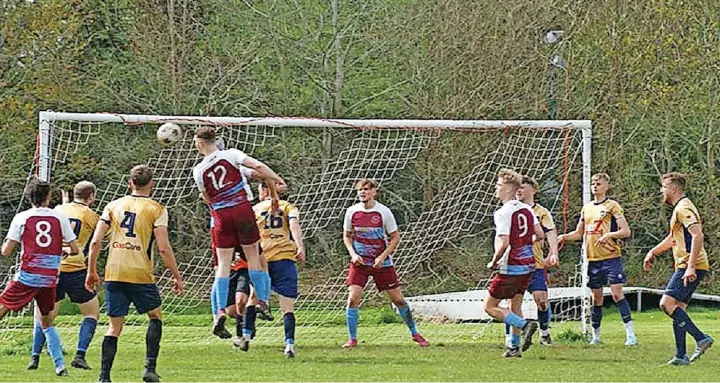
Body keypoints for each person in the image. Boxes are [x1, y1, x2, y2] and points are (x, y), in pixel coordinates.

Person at [86, 165, 184, 382]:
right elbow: (163, 247)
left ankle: (104, 377)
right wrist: (176, 275)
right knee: (155, 316)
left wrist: (91, 271)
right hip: (140, 273)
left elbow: (95, 242)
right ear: (152, 184)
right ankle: (149, 368)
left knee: (114, 327)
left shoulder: (113, 206)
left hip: (114, 272)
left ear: (129, 183)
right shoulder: (156, 209)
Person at [192, 127, 284, 334]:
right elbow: (259, 168)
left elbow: (206, 197)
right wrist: (277, 180)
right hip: (242, 209)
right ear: (216, 140)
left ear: (199, 143)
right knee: (255, 257)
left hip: (220, 216)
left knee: (223, 266)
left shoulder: (198, 170)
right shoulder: (232, 155)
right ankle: (262, 300)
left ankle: (220, 312)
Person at [0, 179, 79, 376]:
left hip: (28, 276)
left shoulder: (22, 218)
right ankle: (60, 366)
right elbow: (75, 248)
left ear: (29, 197)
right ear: (48, 197)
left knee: (2, 307)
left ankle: (52, 363)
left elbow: (6, 251)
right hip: (49, 279)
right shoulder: (59, 217)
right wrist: (60, 249)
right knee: (47, 322)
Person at [341, 179, 428, 349]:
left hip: (382, 264)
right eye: (360, 190)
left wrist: (383, 256)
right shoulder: (352, 212)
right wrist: (352, 254)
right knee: (353, 299)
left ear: (374, 192)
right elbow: (346, 236)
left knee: (398, 300)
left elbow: (395, 237)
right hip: (360, 263)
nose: (362, 193)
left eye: (366, 189)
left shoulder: (383, 212)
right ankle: (352, 339)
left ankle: (414, 333)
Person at [27, 182, 101, 371]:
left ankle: (34, 358)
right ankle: (80, 355)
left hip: (54, 269)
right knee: (92, 312)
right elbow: (100, 237)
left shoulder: (58, 209)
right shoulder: (91, 216)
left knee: (45, 315)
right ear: (91, 196)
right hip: (76, 269)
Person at [643, 172, 713, 365]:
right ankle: (681, 355)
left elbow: (697, 235)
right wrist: (653, 251)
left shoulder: (683, 208)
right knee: (678, 308)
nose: (661, 191)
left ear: (673, 189)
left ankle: (701, 338)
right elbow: (673, 238)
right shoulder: (679, 209)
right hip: (691, 264)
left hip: (690, 265)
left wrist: (690, 266)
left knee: (666, 304)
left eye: (664, 187)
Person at [558, 173, 636, 346]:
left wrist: (609, 235)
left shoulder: (612, 206)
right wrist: (563, 237)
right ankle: (596, 336)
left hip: (611, 257)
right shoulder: (586, 208)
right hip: (593, 259)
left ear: (607, 186)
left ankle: (630, 335)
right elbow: (579, 233)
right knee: (596, 298)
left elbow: (626, 231)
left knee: (617, 293)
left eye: (599, 183)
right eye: (593, 183)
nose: (595, 186)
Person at [237, 183, 306, 357]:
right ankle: (289, 345)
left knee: (253, 296)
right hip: (284, 257)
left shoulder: (255, 209)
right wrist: (300, 246)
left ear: (264, 191)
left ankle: (245, 337)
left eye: (259, 190)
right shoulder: (288, 206)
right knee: (287, 306)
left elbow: (245, 232)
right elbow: (294, 226)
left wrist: (241, 252)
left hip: (262, 257)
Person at [483, 169, 541, 358]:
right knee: (515, 304)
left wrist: (494, 260)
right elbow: (539, 235)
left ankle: (525, 325)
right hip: (529, 264)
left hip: (511, 265)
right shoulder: (527, 209)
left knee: (490, 307)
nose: (496, 188)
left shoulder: (503, 212)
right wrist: (524, 242)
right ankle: (514, 348)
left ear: (508, 189)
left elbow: (505, 242)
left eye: (499, 185)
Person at [505, 176, 559, 348]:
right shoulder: (511, 209)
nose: (519, 190)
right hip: (515, 264)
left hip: (535, 264)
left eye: (523, 187)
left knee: (541, 301)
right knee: (512, 303)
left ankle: (544, 333)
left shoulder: (541, 212)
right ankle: (511, 339)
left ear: (533, 190)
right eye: (517, 187)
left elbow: (550, 232)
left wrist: (553, 252)